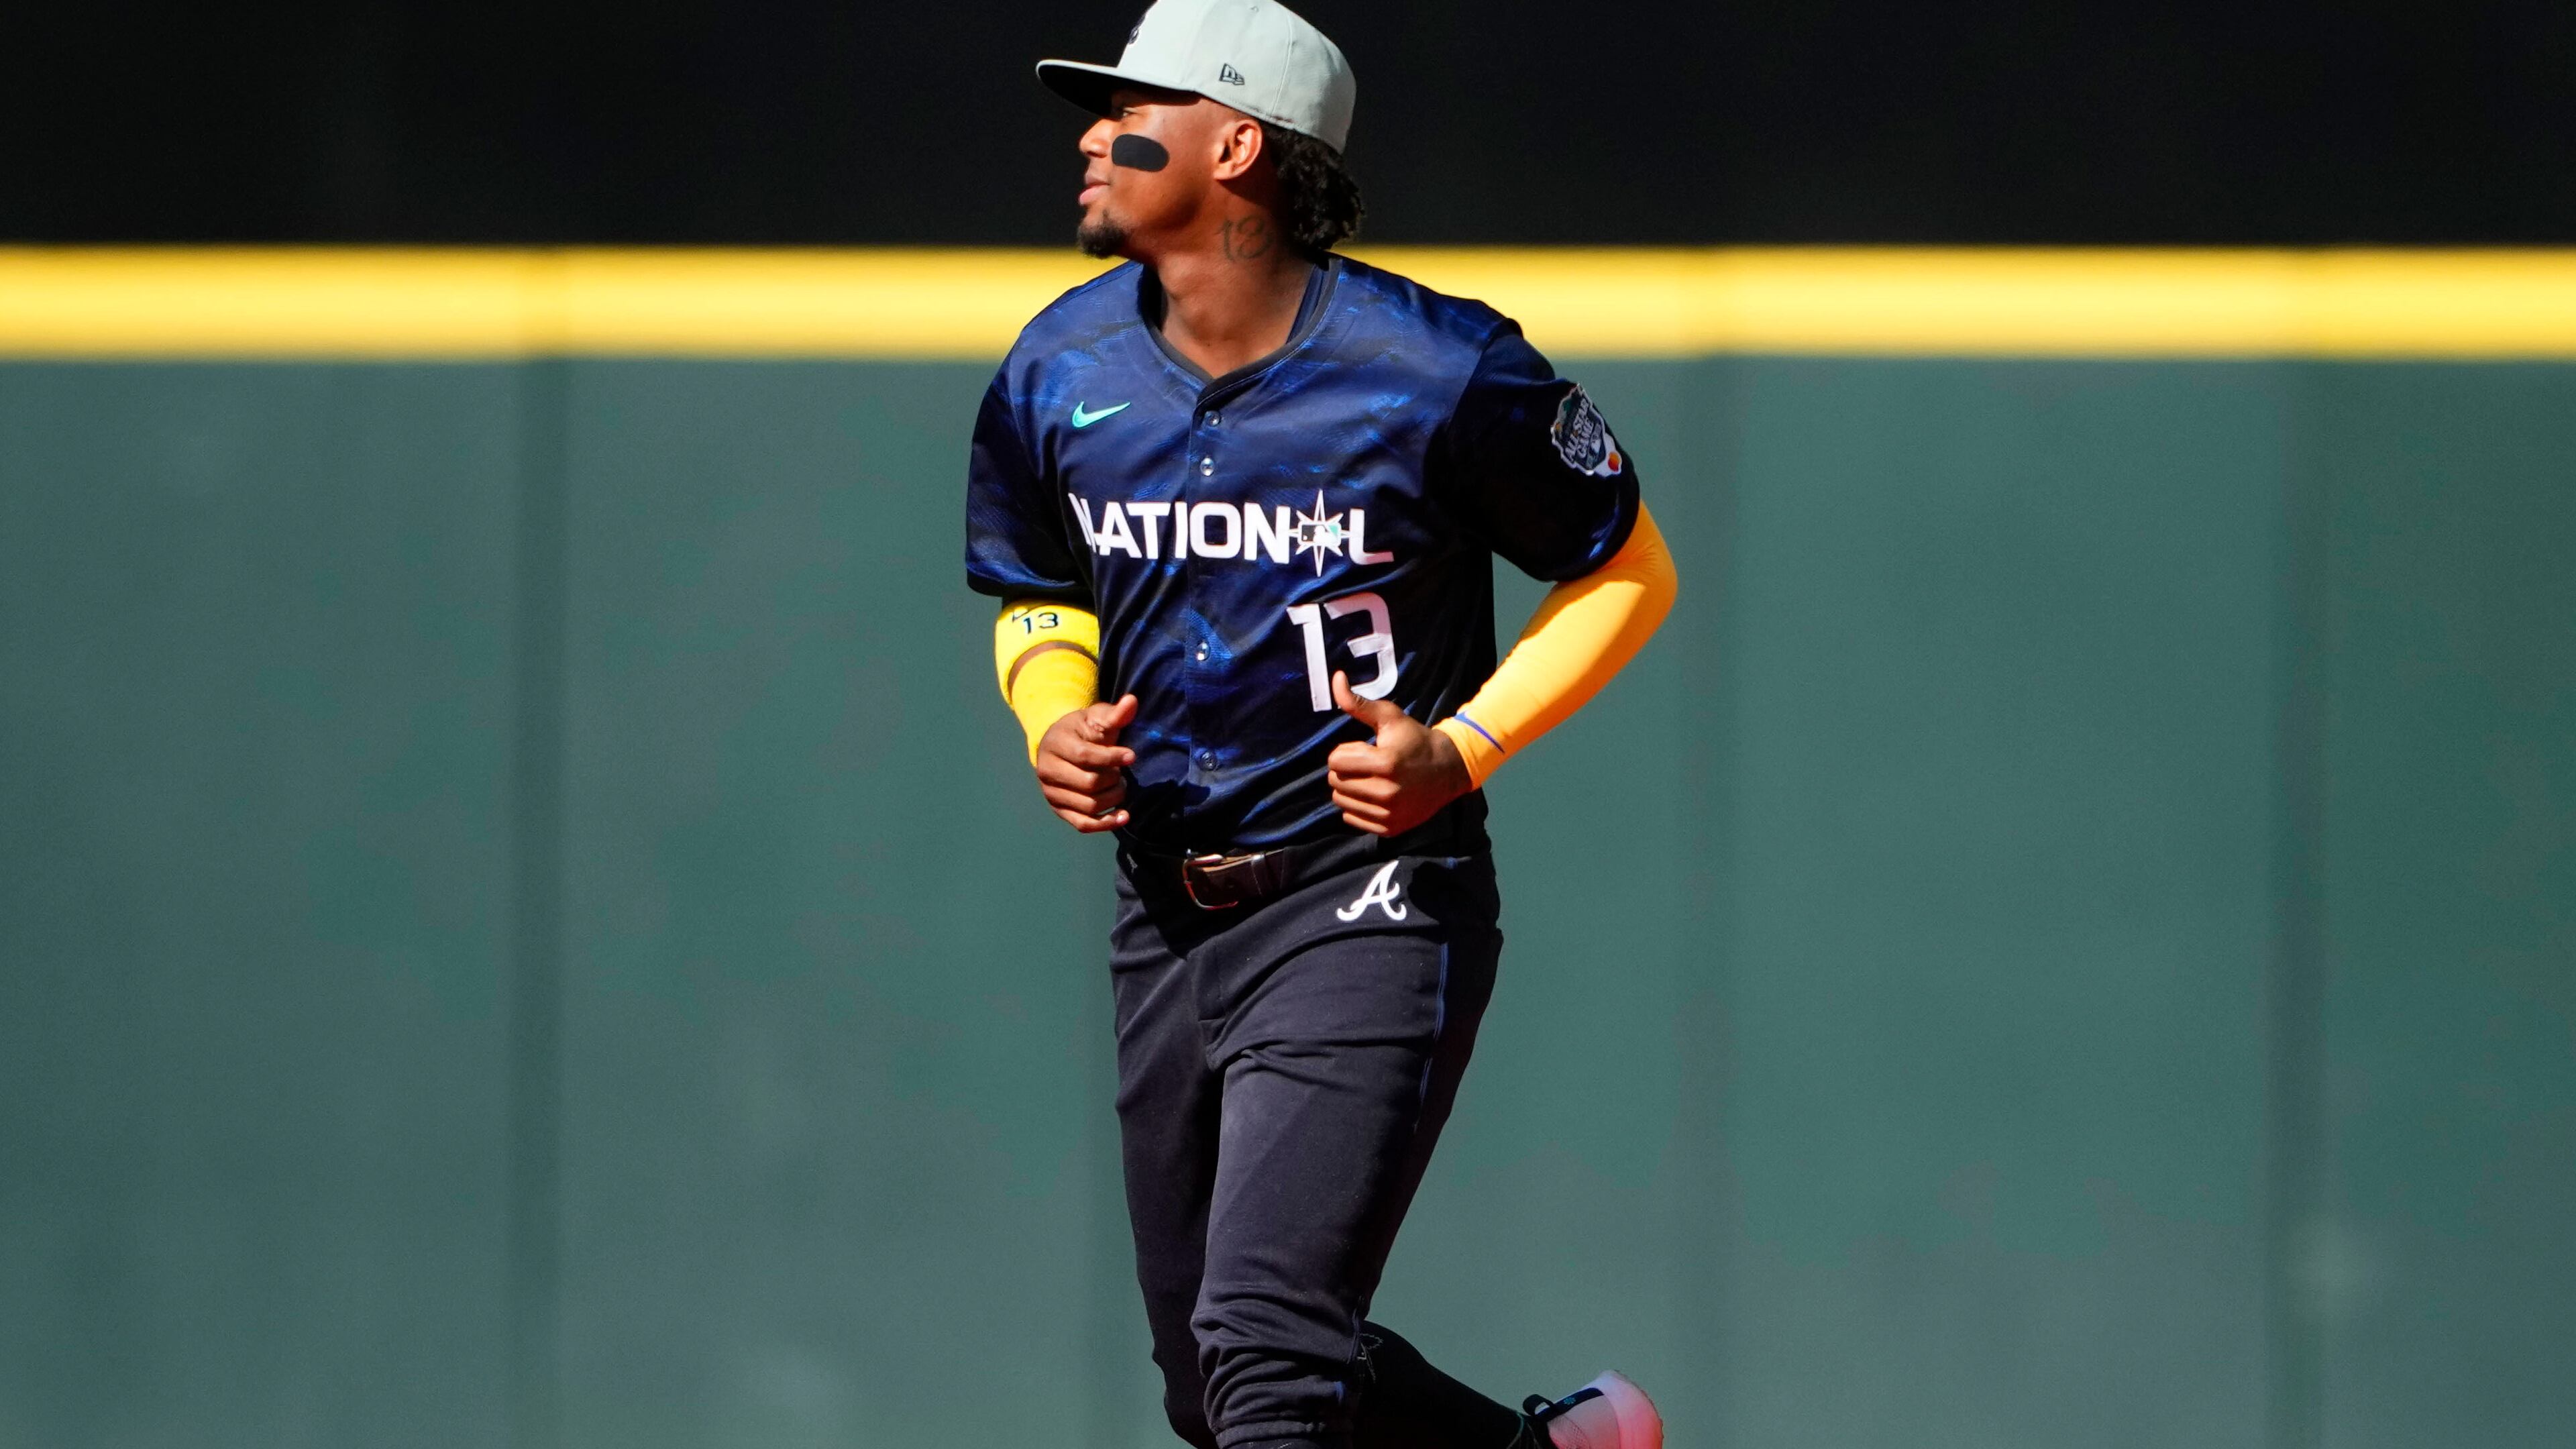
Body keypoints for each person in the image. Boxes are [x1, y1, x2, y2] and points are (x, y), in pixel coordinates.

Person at [963, 3, 1679, 1446]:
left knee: (1269, 1354)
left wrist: (1463, 748)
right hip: (1168, 909)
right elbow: (1038, 588)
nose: (1096, 136)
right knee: (1214, 1383)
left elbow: (1627, 566)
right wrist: (1051, 713)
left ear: (1237, 145)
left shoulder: (1439, 367)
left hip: (1367, 888)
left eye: (1133, 108)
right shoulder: (1059, 363)